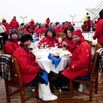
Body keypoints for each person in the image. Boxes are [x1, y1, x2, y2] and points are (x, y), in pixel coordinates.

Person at [13, 34, 58, 101]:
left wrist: (31, 55)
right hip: (25, 75)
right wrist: (37, 69)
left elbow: (30, 61)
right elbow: (25, 67)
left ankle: (41, 94)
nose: (29, 43)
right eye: (27, 41)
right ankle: (46, 96)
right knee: (44, 74)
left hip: (25, 72)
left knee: (44, 71)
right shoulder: (21, 51)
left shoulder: (23, 49)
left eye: (30, 41)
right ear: (23, 41)